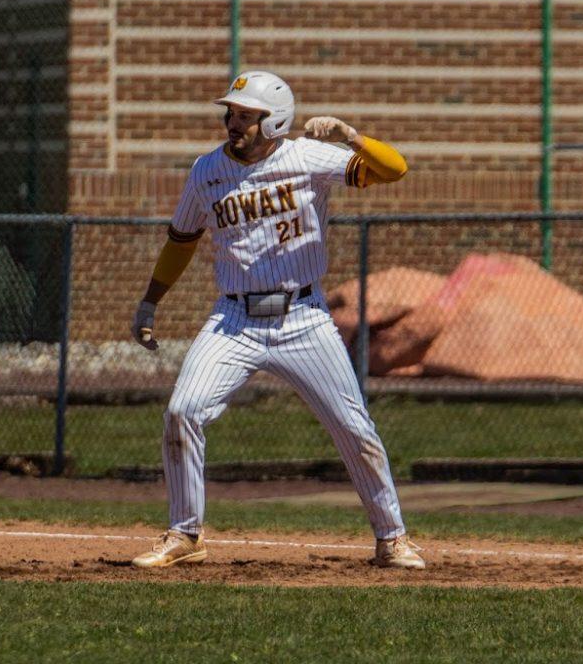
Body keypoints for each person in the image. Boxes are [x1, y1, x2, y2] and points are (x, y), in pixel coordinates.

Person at [128, 70, 424, 570]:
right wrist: (149, 302)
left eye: (247, 116)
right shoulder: (206, 171)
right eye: (232, 113)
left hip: (304, 316)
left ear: (276, 120)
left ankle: (391, 538)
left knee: (354, 428)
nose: (234, 123)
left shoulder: (306, 157)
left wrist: (350, 135)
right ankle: (186, 533)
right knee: (183, 411)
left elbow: (394, 170)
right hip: (234, 319)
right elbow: (182, 241)